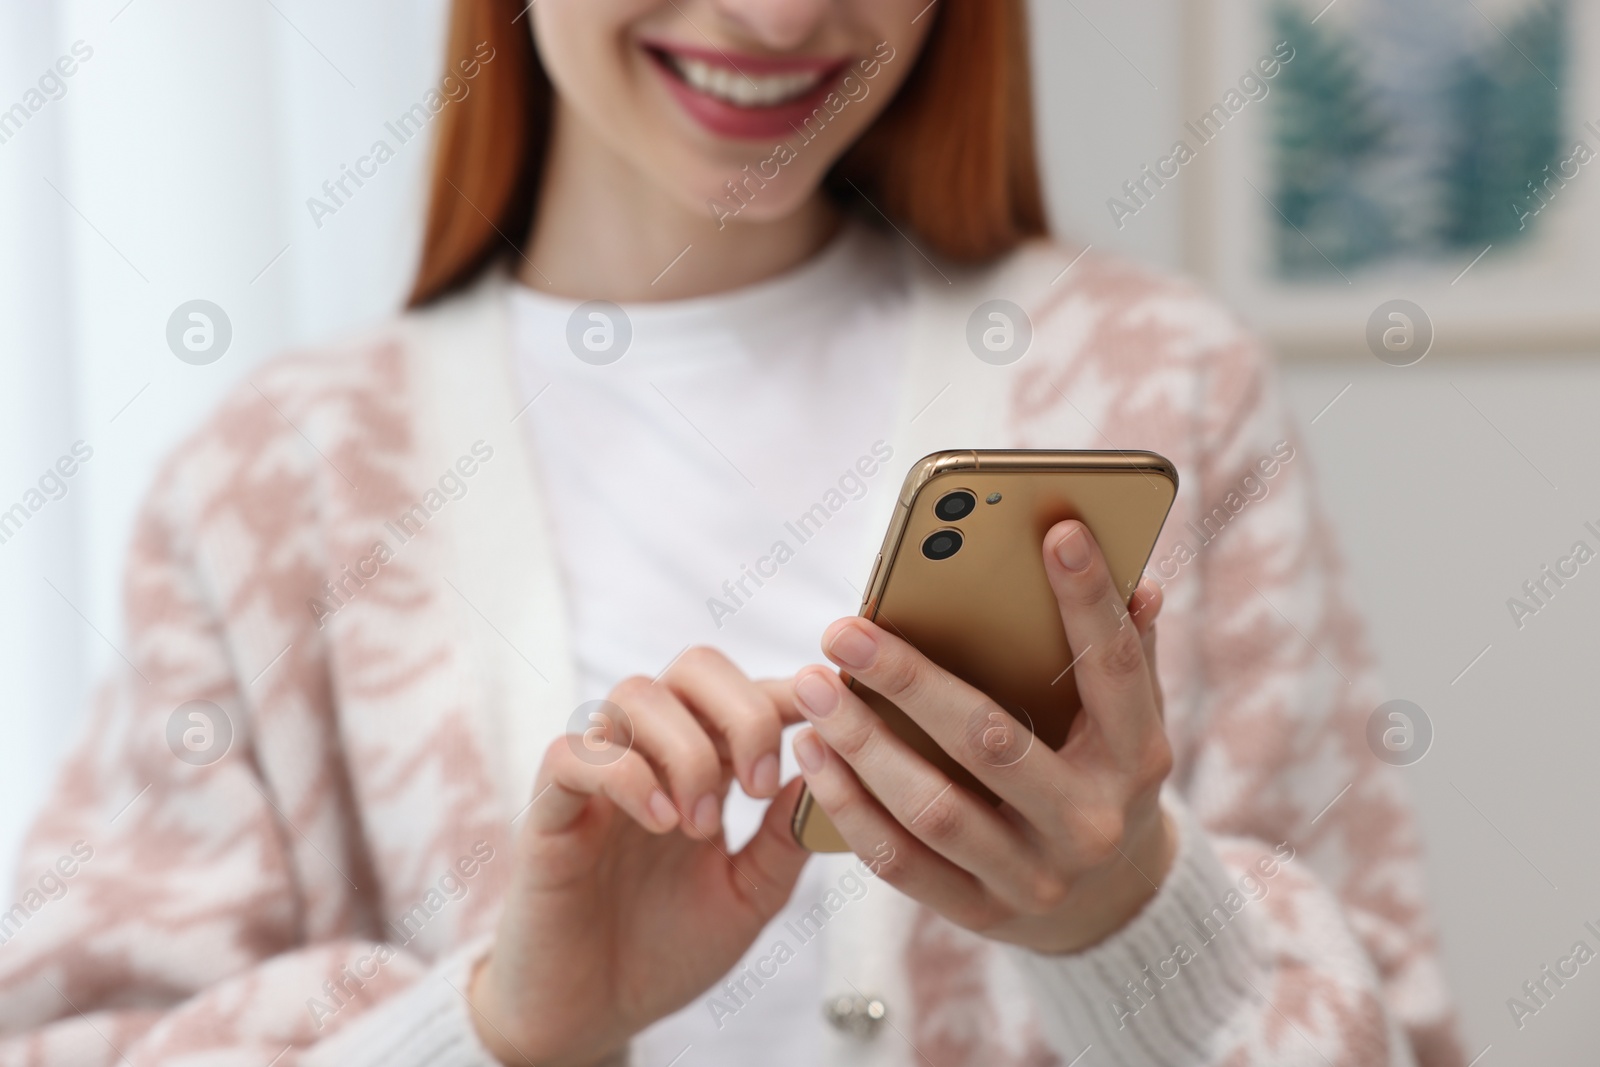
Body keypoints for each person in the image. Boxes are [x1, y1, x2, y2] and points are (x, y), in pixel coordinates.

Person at [0, 1, 1463, 1064]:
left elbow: (1401, 1029)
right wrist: (500, 1028)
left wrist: (1134, 923)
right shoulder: (275, 480)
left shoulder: (1163, 385)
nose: (777, 17)